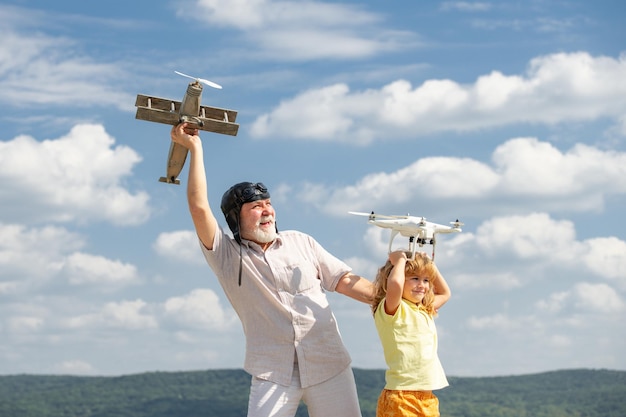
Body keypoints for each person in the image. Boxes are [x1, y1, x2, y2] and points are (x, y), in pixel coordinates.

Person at [170, 122, 375, 417]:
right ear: (234, 219)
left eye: (268, 203)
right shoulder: (227, 256)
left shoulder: (301, 241)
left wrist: (388, 297)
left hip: (329, 363)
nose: (267, 210)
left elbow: (343, 280)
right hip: (273, 372)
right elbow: (199, 207)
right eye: (256, 206)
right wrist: (195, 148)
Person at [371, 250, 451, 417]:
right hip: (402, 396)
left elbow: (445, 293)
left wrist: (429, 264)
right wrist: (400, 260)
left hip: (427, 398)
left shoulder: (425, 309)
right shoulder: (394, 308)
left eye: (426, 280)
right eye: (414, 278)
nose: (422, 284)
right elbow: (395, 285)